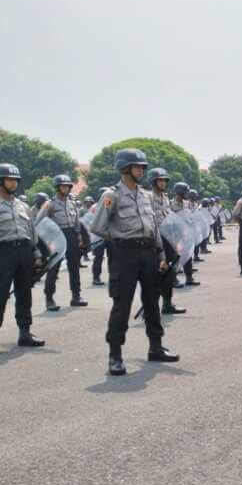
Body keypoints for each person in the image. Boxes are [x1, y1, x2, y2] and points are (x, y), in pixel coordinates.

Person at [90, 149, 179, 376]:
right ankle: (115, 355)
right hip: (125, 255)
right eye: (137, 166)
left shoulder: (146, 195)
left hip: (149, 253)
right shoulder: (112, 195)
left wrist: (160, 255)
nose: (141, 170)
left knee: (151, 301)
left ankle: (156, 347)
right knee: (123, 304)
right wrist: (120, 240)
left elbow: (155, 227)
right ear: (125, 168)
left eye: (143, 167)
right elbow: (98, 227)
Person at [0, 163, 45, 347]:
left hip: (24, 252)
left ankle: (25, 333)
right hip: (3, 253)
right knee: (1, 294)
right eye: (10, 180)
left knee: (24, 294)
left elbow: (31, 231)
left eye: (16, 180)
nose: (14, 184)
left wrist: (36, 252)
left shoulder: (22, 206)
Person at [37, 174, 87, 310]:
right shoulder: (49, 204)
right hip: (57, 236)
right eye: (63, 186)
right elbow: (40, 221)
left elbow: (77, 222)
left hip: (71, 235)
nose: (66, 188)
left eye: (68, 186)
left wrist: (79, 237)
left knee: (74, 266)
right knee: (54, 267)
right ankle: (49, 299)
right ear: (58, 187)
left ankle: (76, 296)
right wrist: (46, 240)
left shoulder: (72, 203)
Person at [147, 167, 186, 315]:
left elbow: (169, 217)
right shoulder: (148, 197)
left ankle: (167, 304)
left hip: (167, 236)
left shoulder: (165, 198)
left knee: (170, 271)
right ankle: (150, 305)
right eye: (160, 180)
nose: (163, 183)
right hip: (154, 238)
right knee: (155, 272)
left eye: (164, 180)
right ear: (153, 181)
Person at [170, 182, 200, 286]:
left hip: (186, 234)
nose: (187, 194)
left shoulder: (187, 204)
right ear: (179, 192)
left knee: (188, 257)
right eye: (185, 192)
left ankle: (189, 278)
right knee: (175, 257)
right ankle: (173, 279)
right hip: (175, 235)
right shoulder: (171, 205)